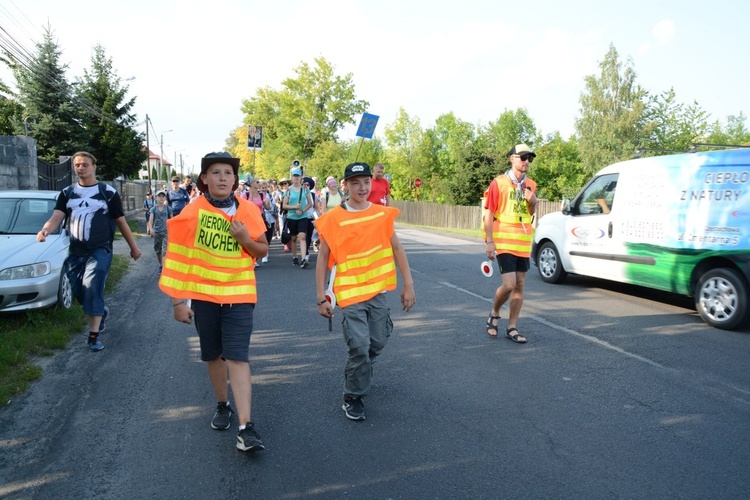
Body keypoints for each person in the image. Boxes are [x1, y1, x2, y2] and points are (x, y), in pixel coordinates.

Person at [159, 151, 268, 453]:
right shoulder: (192, 213)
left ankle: (246, 428)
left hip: (239, 296)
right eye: (216, 173)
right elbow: (177, 258)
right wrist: (178, 300)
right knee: (214, 355)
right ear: (204, 179)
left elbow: (260, 250)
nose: (223, 178)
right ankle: (223, 404)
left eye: (228, 173)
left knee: (237, 356)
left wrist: (246, 239)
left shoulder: (247, 210)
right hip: (205, 298)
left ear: (235, 179)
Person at [315, 162, 416, 421]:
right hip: (349, 295)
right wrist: (320, 297)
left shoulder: (382, 214)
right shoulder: (334, 218)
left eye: (366, 182)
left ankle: (357, 370)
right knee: (360, 346)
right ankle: (353, 395)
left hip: (377, 293)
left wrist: (408, 285)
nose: (362, 187)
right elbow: (323, 257)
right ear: (345, 185)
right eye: (355, 182)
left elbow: (398, 249)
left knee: (377, 342)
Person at [36, 151, 142, 351]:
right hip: (76, 252)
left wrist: (134, 248)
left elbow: (120, 221)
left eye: (85, 164)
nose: (80, 168)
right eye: (77, 165)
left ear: (94, 167)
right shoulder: (67, 193)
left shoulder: (107, 192)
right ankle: (100, 311)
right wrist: (45, 230)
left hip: (100, 250)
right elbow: (57, 217)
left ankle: (93, 336)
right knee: (79, 290)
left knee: (92, 284)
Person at [483, 143, 538, 344]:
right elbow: (489, 213)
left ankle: (512, 327)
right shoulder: (498, 183)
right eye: (523, 157)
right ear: (512, 159)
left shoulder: (531, 184)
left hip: (523, 242)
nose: (526, 162)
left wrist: (533, 201)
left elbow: (530, 213)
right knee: (509, 284)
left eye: (529, 158)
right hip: (503, 241)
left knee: (520, 286)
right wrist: (489, 242)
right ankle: (495, 311)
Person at [281, 166, 313, 268]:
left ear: (301, 178)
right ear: (291, 178)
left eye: (298, 176)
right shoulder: (288, 190)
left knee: (302, 236)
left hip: (303, 216)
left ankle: (304, 259)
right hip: (292, 217)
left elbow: (310, 204)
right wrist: (295, 207)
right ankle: (295, 257)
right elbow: (284, 205)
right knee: (294, 238)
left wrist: (302, 210)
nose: (296, 178)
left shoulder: (305, 189)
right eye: (294, 176)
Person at [146, 190, 172, 273]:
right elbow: (150, 220)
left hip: (166, 232)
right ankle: (161, 264)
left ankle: (164, 269)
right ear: (156, 198)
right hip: (157, 233)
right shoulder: (153, 209)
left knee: (165, 250)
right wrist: (151, 228)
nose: (161, 198)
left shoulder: (168, 208)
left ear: (165, 198)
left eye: (163, 196)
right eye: (159, 196)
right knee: (158, 250)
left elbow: (172, 219)